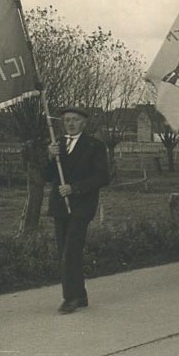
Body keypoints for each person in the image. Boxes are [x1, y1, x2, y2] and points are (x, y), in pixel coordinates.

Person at [45, 107, 110, 313]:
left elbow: (102, 177)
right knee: (64, 250)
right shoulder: (57, 145)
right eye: (67, 120)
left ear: (84, 122)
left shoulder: (94, 146)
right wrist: (50, 156)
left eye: (75, 120)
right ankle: (80, 295)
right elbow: (48, 176)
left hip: (82, 206)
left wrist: (75, 188)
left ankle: (70, 297)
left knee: (71, 251)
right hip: (60, 206)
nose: (71, 124)